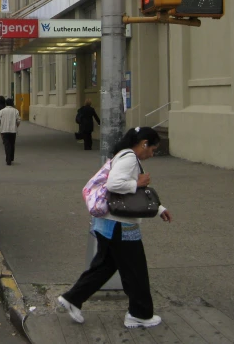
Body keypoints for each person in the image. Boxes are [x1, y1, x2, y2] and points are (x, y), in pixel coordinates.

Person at [58, 126, 173, 329]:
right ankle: (139, 314)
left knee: (105, 266)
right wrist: (137, 183)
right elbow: (114, 185)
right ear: (144, 144)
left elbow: (134, 196)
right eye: (152, 149)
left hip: (109, 223)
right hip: (121, 225)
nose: (152, 154)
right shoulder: (129, 159)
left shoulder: (124, 156)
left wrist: (159, 208)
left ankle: (72, 298)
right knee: (136, 270)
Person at [0, 98, 21, 165]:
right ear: (12, 103)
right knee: (12, 144)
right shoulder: (16, 111)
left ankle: (8, 159)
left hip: (4, 130)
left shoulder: (2, 111)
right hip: (13, 131)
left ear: (6, 103)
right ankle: (11, 158)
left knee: (7, 145)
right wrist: (16, 126)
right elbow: (18, 121)